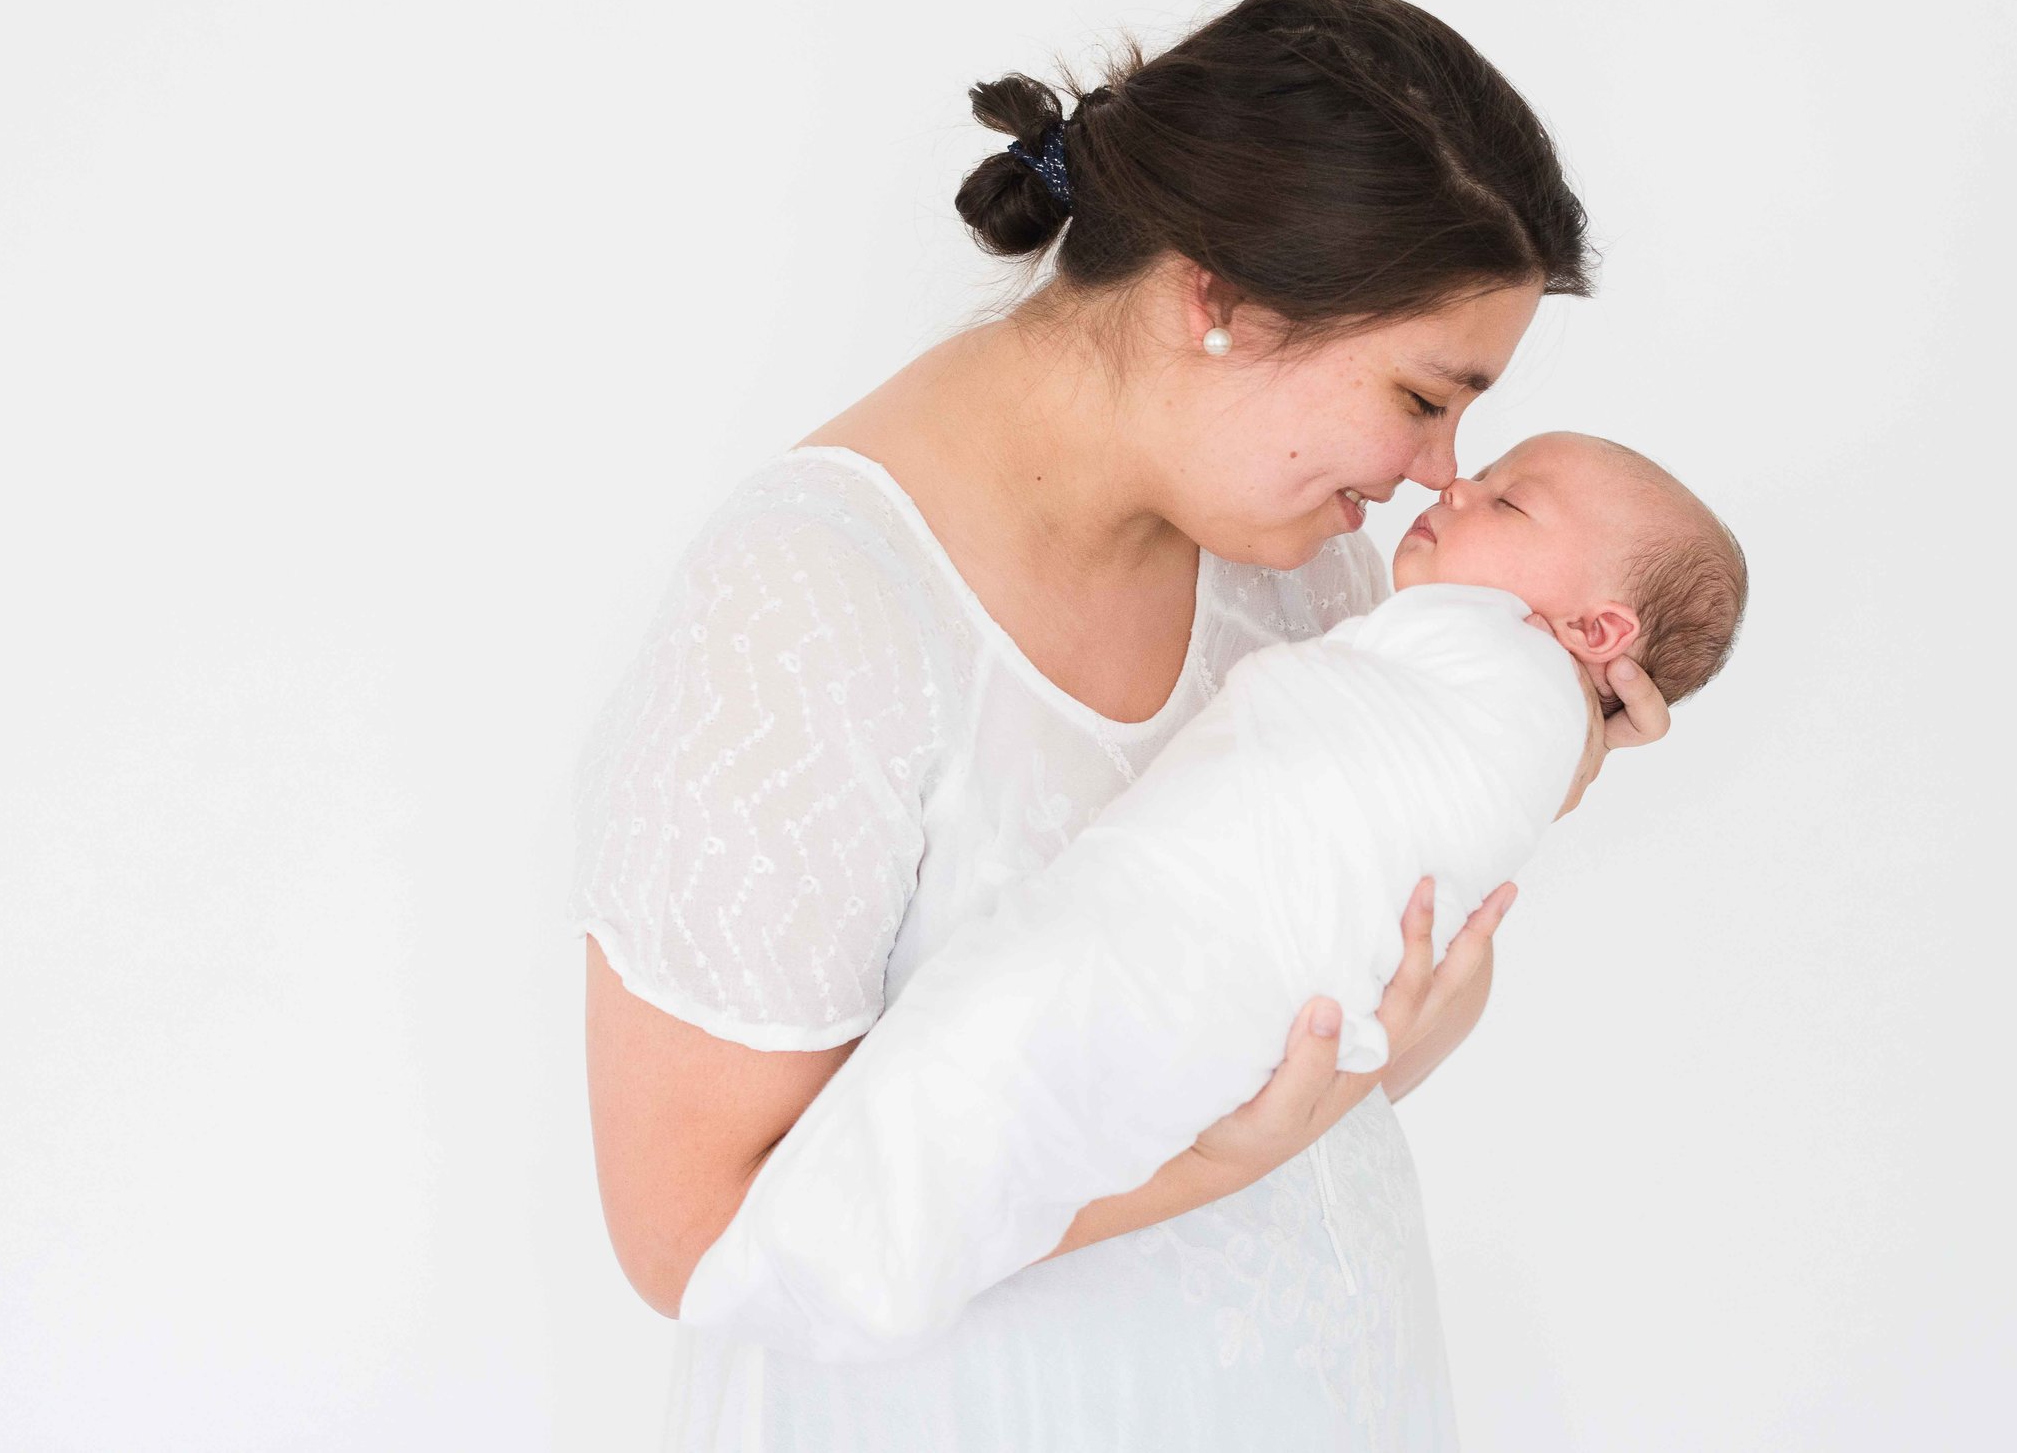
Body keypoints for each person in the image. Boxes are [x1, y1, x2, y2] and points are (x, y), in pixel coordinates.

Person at [570, 0, 1672, 1450]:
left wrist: (1532, 761)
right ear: (1216, 294)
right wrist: (1214, 1167)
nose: (1442, 473)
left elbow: (1330, 1057)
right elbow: (694, 1240)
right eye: (1422, 396)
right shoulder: (806, 612)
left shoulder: (1305, 563)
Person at [671, 431, 1746, 1363]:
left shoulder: (1464, 657)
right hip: (1083, 1289)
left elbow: (1398, 997)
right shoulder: (822, 582)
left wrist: (1559, 758)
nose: (1447, 479)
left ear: (1597, 634)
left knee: (1012, 1051)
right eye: (1424, 401)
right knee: (1007, 1067)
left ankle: (844, 1255)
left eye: (1504, 497)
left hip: (1236, 1041)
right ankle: (841, 1257)